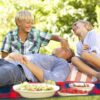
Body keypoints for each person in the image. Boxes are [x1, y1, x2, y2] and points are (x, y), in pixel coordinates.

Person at [0, 39, 74, 86]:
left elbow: (54, 80)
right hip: (6, 62)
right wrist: (10, 56)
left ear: (68, 58)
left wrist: (27, 63)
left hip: (19, 70)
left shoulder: (63, 62)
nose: (62, 47)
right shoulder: (46, 56)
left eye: (66, 50)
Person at [0, 10, 65, 58]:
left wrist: (61, 39)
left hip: (31, 68)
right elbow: (4, 55)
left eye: (31, 23)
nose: (30, 25)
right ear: (19, 22)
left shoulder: (36, 34)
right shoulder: (10, 36)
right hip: (15, 67)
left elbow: (52, 37)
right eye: (28, 23)